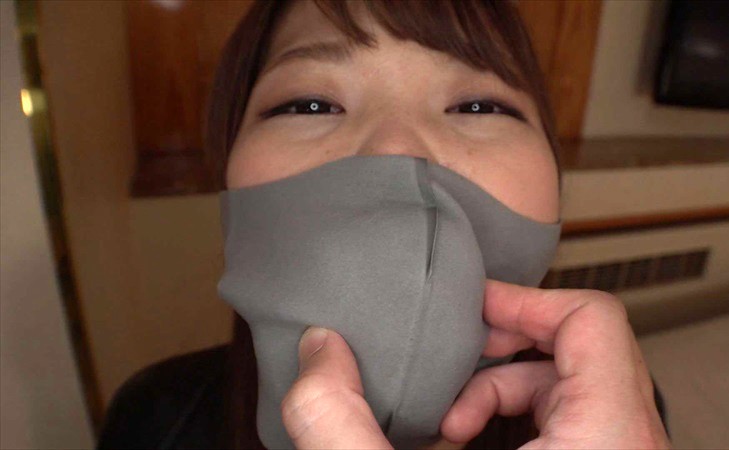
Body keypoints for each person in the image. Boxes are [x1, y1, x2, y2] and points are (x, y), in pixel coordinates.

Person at [98, 1, 670, 449]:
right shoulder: (155, 417)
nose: (395, 151)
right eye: (310, 104)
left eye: (479, 106)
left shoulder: (617, 417)